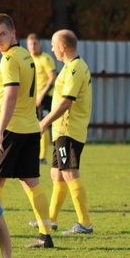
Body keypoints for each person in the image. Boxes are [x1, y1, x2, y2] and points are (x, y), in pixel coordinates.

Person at [0, 13, 53, 248]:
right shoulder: (26, 56)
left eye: (3, 33)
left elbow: (11, 96)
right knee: (31, 182)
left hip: (11, 129)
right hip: (30, 128)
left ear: (14, 33)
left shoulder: (9, 59)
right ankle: (45, 235)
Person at [35, 29, 93, 234]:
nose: (51, 49)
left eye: (53, 45)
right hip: (61, 131)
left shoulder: (76, 69)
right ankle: (51, 220)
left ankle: (85, 224)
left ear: (62, 47)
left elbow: (66, 102)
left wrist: (44, 123)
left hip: (69, 131)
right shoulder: (70, 67)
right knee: (57, 175)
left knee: (69, 173)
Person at [27, 33, 57, 166]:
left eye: (35, 43)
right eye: (30, 44)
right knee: (30, 126)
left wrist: (42, 94)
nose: (33, 46)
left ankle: (42, 156)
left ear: (40, 44)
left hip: (44, 98)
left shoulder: (46, 59)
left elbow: (52, 78)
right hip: (30, 99)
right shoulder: (27, 59)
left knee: (43, 125)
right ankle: (31, 154)